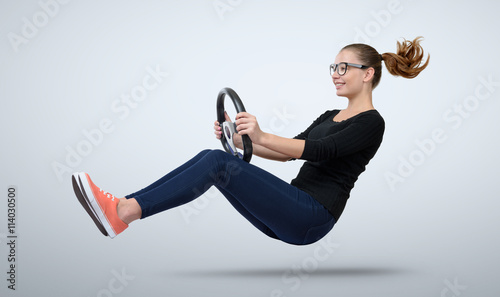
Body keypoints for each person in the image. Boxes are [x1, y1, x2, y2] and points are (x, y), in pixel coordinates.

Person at [72, 37, 429, 245]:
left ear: (367, 74)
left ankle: (123, 212)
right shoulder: (328, 116)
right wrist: (243, 141)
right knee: (215, 158)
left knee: (216, 164)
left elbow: (319, 151)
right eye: (332, 68)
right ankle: (122, 208)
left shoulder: (372, 123)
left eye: (343, 68)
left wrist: (259, 134)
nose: (335, 75)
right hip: (292, 210)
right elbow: (289, 152)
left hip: (312, 217)